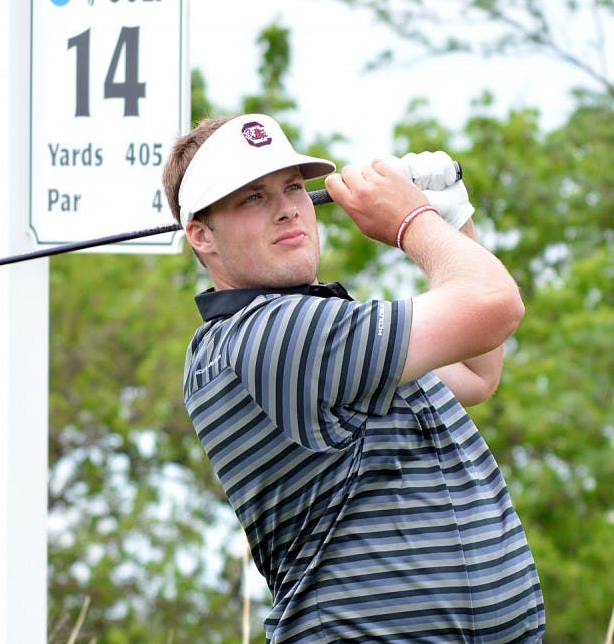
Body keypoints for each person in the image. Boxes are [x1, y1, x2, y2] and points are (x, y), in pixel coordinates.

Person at [162, 114, 545, 642]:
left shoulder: (334, 333)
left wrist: (453, 218)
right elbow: (493, 304)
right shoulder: (269, 335)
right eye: (252, 197)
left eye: (293, 186)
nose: (286, 209)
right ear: (201, 235)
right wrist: (414, 221)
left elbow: (478, 372)